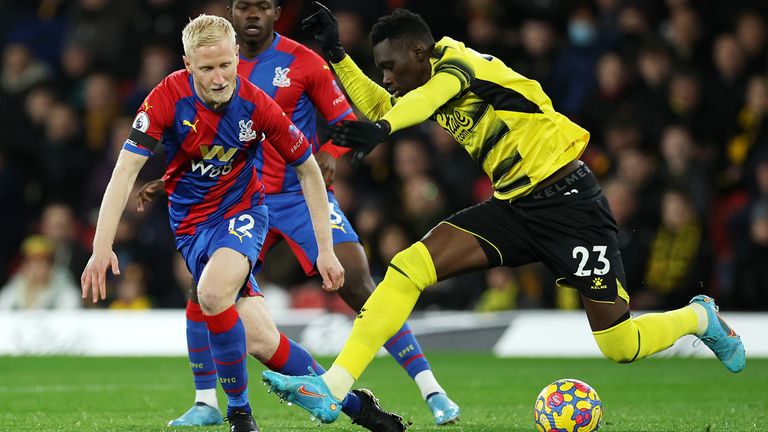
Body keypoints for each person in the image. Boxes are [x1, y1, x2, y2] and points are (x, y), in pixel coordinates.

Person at [261, 4, 747, 425]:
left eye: (389, 65)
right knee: (408, 267)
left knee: (620, 344)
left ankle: (697, 318)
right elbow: (387, 104)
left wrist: (384, 127)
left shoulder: (461, 66)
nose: (386, 76)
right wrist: (339, 58)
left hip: (570, 203)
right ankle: (334, 385)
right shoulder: (431, 79)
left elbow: (412, 104)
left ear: (418, 53)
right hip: (514, 208)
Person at [138, 1, 458, 428]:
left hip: (297, 195)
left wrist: (329, 152)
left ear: (276, 12)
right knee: (212, 297)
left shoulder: (302, 61)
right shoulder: (214, 69)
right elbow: (203, 143)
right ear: (232, 15)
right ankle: (208, 402)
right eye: (244, 7)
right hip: (240, 200)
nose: (253, 14)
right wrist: (175, 178)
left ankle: (431, 388)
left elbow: (344, 120)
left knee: (358, 282)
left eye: (263, 6)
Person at [80, 14, 348, 432]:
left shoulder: (257, 104)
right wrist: (101, 247)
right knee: (262, 340)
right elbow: (124, 172)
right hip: (189, 227)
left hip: (242, 214)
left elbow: (309, 170)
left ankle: (238, 413)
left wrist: (326, 249)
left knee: (210, 291)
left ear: (236, 55)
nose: (220, 77)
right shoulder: (166, 98)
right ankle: (356, 408)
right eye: (207, 68)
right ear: (188, 65)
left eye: (226, 64)